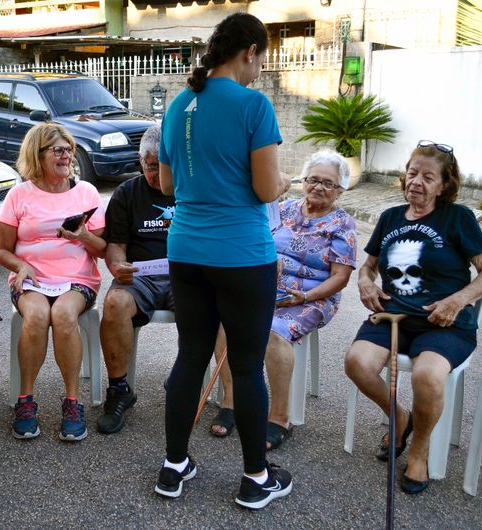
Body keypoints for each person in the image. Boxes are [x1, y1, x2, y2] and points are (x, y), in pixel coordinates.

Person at [155, 13, 293, 510]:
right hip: (241, 254)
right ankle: (255, 478)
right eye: (262, 59)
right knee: (246, 364)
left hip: (186, 250)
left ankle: (174, 466)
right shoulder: (255, 105)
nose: (259, 70)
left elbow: (169, 187)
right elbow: (263, 188)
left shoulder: (177, 105)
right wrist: (283, 182)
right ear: (250, 51)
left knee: (190, 355)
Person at [344, 141, 482, 494]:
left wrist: (457, 301)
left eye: (428, 177)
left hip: (442, 323)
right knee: (357, 362)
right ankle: (399, 418)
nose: (416, 182)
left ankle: (419, 449)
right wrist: (366, 284)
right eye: (413, 173)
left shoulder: (458, 218)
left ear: (445, 186)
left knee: (428, 376)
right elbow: (367, 267)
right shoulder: (390, 218)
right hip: (392, 316)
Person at [210, 150, 357, 450]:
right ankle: (232, 399)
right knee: (224, 320)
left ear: (340, 191)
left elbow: (340, 277)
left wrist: (304, 295)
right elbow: (253, 240)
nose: (318, 187)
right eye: (313, 179)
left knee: (273, 333)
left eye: (328, 184)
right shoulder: (284, 209)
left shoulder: (342, 224)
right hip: (267, 288)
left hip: (313, 297)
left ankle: (279, 418)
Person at [0, 123, 106, 442]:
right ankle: (25, 400)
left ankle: (72, 401)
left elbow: (102, 248)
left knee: (63, 315)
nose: (66, 155)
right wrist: (21, 264)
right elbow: (1, 251)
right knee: (38, 315)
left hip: (77, 279)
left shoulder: (85, 192)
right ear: (37, 154)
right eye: (58, 149)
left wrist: (83, 234)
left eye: (69, 148)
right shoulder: (19, 195)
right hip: (31, 279)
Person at [97, 126, 175, 434]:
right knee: (115, 302)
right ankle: (119, 389)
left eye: (164, 166)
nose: (158, 174)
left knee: (212, 305)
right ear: (140, 163)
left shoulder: (191, 190)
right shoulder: (127, 193)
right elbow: (115, 245)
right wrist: (117, 266)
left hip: (185, 276)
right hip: (140, 276)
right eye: (151, 166)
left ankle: (185, 376)